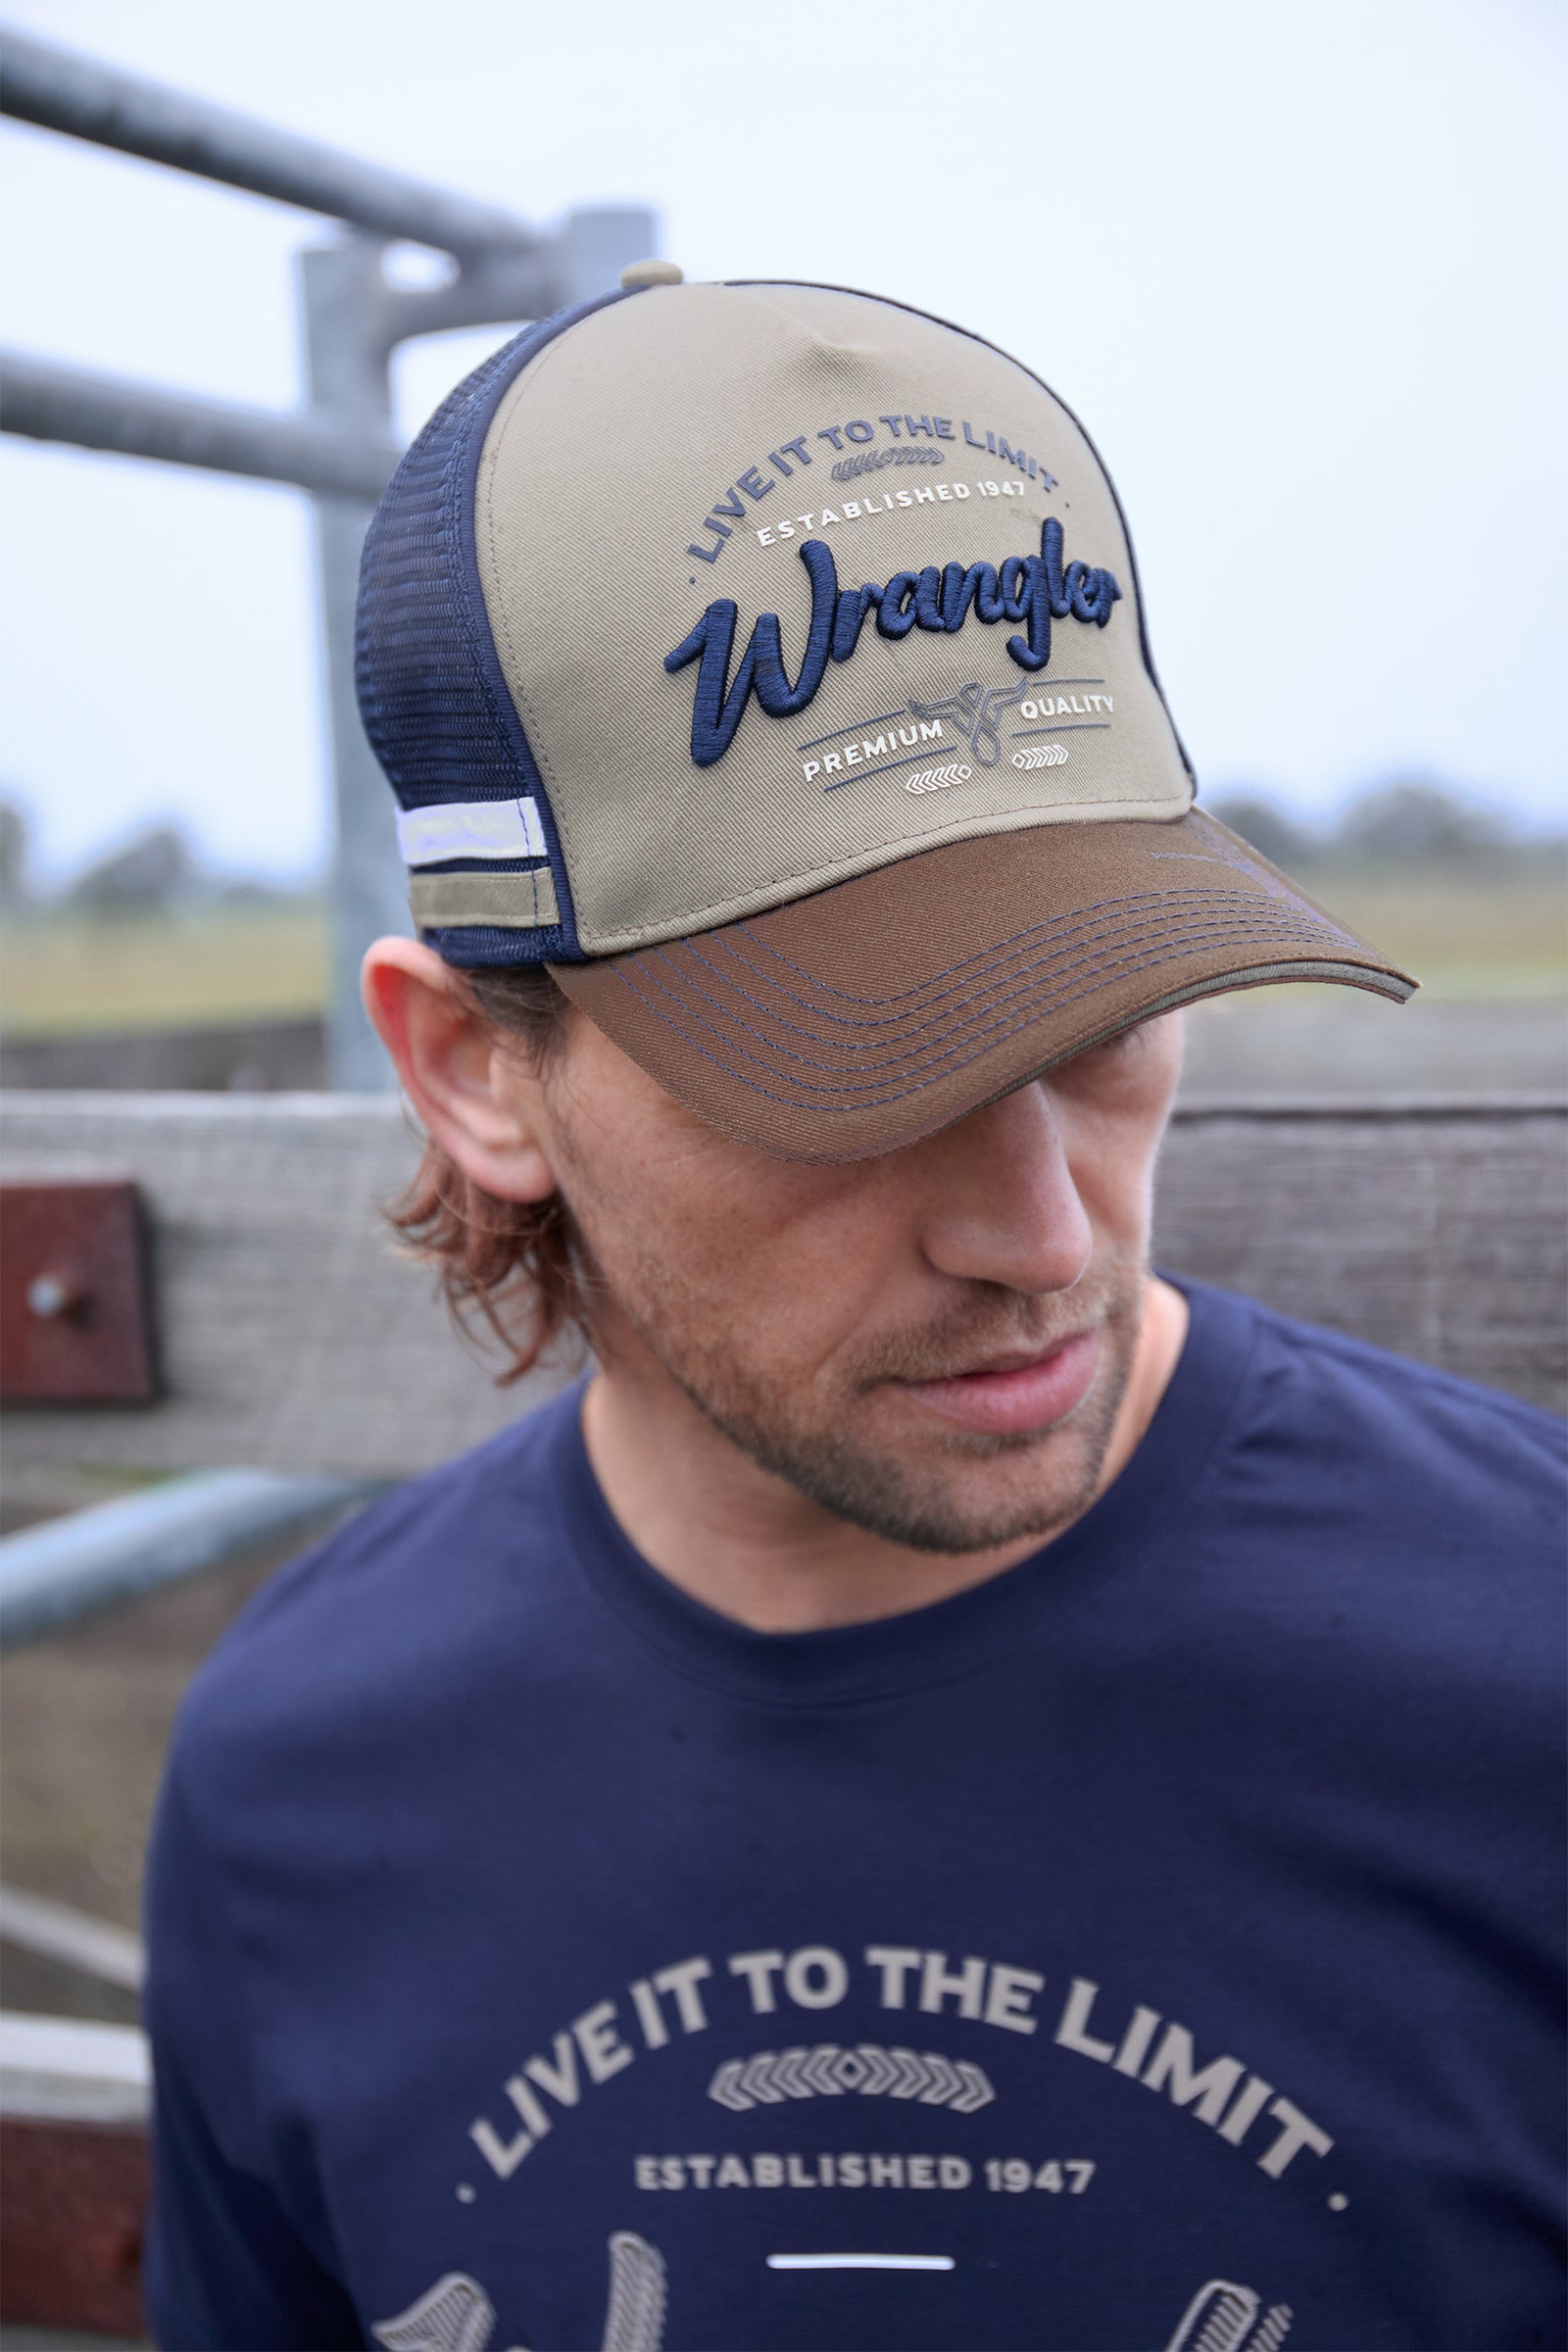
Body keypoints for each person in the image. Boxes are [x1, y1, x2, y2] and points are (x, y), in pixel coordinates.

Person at [143, 270, 1564, 2352]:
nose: (1037, 1226)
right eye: (847, 1078)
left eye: (1099, 1017)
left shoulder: (1525, 1662)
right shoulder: (301, 1782)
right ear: (471, 1069)